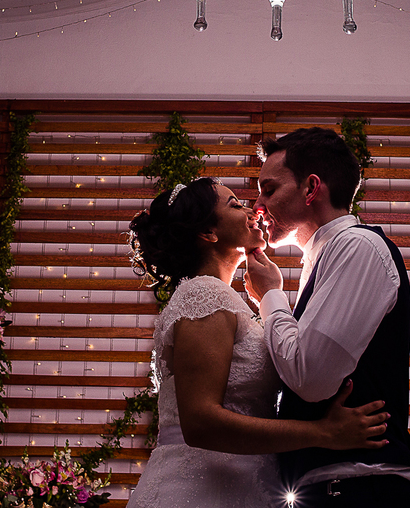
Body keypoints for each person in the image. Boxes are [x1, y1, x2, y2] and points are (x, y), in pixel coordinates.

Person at [125, 177, 390, 508]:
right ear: (208, 233)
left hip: (242, 484)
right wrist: (324, 433)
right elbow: (200, 423)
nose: (252, 209)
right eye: (235, 205)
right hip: (202, 490)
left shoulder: (226, 300)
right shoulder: (203, 295)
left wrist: (269, 295)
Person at [245, 127, 410, 508]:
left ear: (311, 188)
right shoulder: (321, 258)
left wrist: (270, 295)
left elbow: (311, 378)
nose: (257, 204)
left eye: (269, 189)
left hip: (359, 491)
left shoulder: (357, 248)